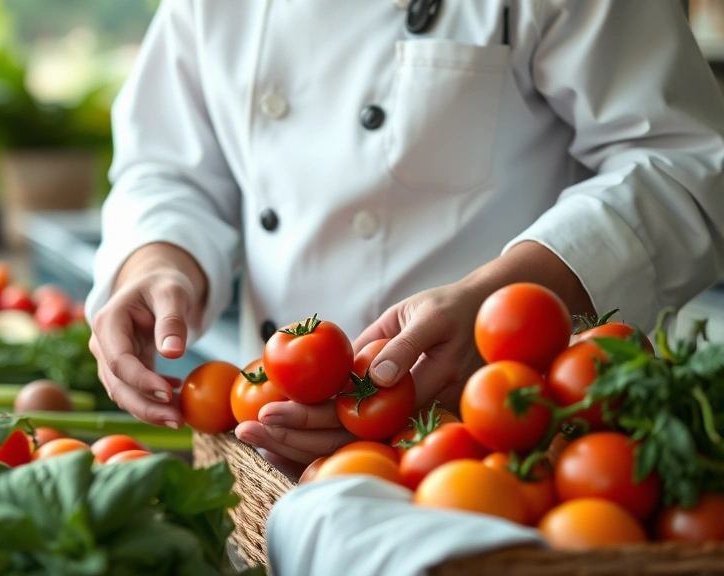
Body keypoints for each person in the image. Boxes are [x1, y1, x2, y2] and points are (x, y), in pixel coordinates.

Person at [84, 0, 724, 466]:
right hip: (268, 447)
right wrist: (156, 263)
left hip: (497, 446)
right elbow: (168, 167)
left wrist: (502, 311)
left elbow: (683, 165)